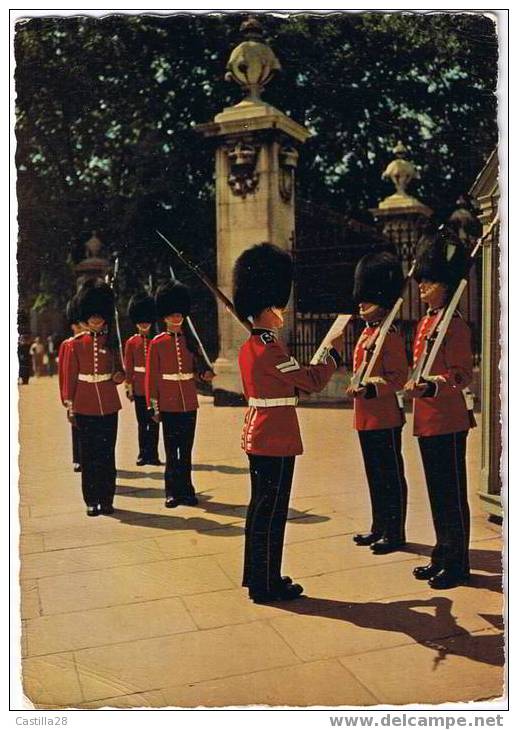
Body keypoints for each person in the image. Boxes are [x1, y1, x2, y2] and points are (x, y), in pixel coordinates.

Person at [233, 242, 343, 604]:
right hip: (274, 436)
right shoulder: (269, 349)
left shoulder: (254, 346)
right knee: (272, 511)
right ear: (267, 309)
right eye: (279, 306)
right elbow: (311, 381)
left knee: (261, 509)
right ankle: (267, 582)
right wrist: (331, 353)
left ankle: (258, 578)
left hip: (260, 432)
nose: (284, 311)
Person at [404, 226, 473, 589]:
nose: (422, 288)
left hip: (448, 419)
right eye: (422, 282)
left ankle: (458, 562)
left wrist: (432, 384)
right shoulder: (426, 323)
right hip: (427, 420)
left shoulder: (455, 325)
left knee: (451, 494)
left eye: (429, 283)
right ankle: (442, 554)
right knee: (436, 492)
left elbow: (462, 375)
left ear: (445, 285)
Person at [346, 252, 409, 554]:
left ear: (381, 301)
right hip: (366, 416)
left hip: (384, 415)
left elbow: (398, 378)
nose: (361, 304)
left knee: (390, 476)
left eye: (367, 299)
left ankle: (394, 532)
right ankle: (378, 526)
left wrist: (371, 389)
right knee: (375, 474)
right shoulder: (367, 333)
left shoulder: (391, 335)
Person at [146, 281, 214, 508]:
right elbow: (152, 378)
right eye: (172, 315)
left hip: (188, 402)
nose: (176, 318)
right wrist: (153, 407)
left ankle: (187, 489)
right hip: (168, 403)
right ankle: (172, 491)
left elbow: (196, 369)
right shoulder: (157, 343)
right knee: (170, 449)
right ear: (164, 317)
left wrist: (204, 373)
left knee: (185, 450)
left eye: (179, 314)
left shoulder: (190, 341)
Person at [62, 279, 124, 517]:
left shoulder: (111, 342)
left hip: (108, 404)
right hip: (85, 404)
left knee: (107, 455)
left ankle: (107, 499)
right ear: (85, 318)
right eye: (92, 317)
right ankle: (92, 499)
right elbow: (70, 377)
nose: (97, 321)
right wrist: (70, 405)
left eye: (100, 317)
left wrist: (119, 376)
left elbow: (120, 372)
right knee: (89, 456)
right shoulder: (74, 345)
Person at [125, 292, 161, 466]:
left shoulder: (156, 340)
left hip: (154, 387)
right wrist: (129, 388)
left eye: (147, 320)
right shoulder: (131, 342)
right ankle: (142, 453)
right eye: (141, 320)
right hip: (139, 387)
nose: (144, 324)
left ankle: (153, 454)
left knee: (154, 420)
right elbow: (129, 368)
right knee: (142, 423)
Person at [58, 297, 84, 472]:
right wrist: (66, 399)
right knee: (76, 428)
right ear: (73, 326)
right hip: (74, 393)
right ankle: (78, 458)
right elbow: (64, 374)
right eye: (78, 325)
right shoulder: (67, 345)